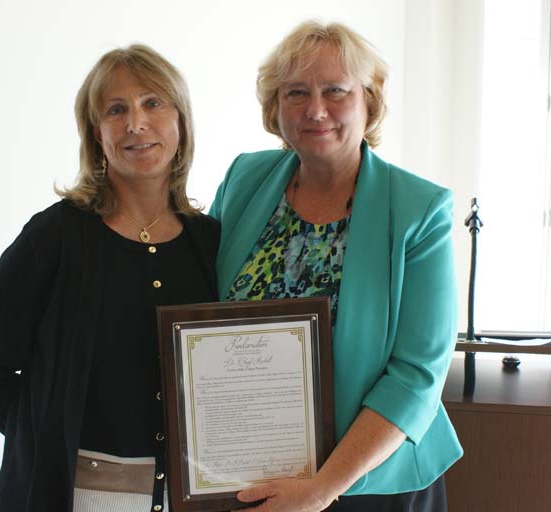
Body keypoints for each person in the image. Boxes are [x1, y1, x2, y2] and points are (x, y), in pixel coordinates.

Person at [209, 21, 461, 512]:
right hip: (256, 476)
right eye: (296, 92)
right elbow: (202, 314)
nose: (315, 109)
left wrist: (322, 488)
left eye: (335, 91)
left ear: (369, 101)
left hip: (371, 481)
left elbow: (416, 377)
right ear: (274, 108)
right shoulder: (243, 179)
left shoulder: (419, 211)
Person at [0, 44, 219, 512]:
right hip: (79, 495)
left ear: (181, 121)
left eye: (153, 103)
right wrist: (45, 444)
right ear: (96, 134)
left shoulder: (212, 241)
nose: (136, 123)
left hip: (193, 496)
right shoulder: (54, 237)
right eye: (116, 110)